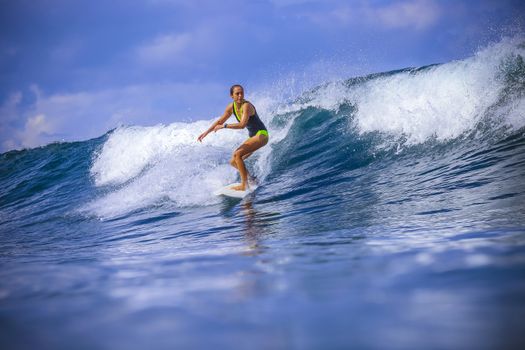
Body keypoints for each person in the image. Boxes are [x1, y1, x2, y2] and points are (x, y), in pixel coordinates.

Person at [197, 84, 269, 191]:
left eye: (242, 93)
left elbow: (242, 125)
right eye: (237, 94)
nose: (240, 96)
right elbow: (220, 121)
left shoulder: (246, 106)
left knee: (237, 154)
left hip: (262, 135)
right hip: (254, 137)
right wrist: (206, 132)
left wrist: (224, 126)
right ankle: (252, 179)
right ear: (232, 96)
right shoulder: (231, 107)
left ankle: (244, 185)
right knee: (234, 161)